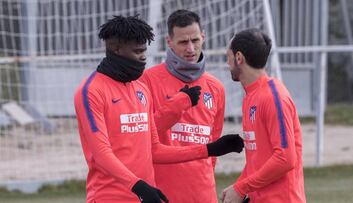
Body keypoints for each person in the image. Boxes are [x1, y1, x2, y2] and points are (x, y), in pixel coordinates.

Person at [74, 15, 244, 203]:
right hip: (111, 197)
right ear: (116, 49)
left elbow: (155, 150)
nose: (143, 57)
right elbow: (102, 154)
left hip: (145, 197)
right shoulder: (91, 91)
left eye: (144, 51)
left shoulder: (140, 89)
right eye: (137, 51)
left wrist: (210, 149)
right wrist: (138, 185)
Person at [139, 10, 226, 203]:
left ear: (203, 36)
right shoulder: (147, 81)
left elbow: (214, 143)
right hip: (163, 193)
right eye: (182, 42)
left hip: (203, 194)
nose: (190, 48)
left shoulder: (216, 87)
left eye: (195, 40)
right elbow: (142, 136)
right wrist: (177, 105)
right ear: (169, 42)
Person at [220, 28, 306, 203]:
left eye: (227, 56)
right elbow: (258, 159)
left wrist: (241, 188)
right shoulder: (251, 96)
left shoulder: (274, 98)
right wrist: (239, 187)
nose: (227, 63)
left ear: (238, 58)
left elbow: (285, 158)